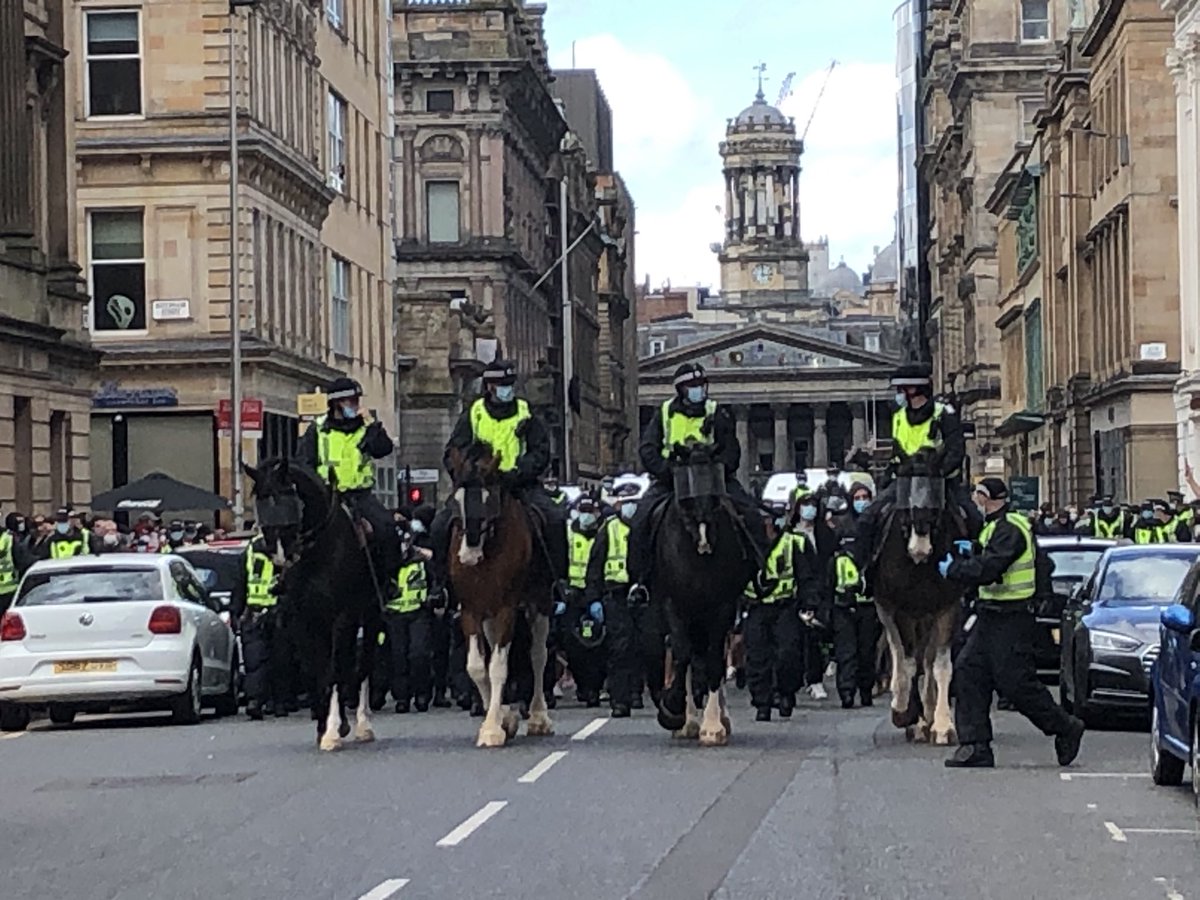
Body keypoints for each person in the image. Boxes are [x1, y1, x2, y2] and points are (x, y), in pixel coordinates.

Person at [939, 477, 1085, 768]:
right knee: (969, 671)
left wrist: (955, 568)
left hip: (1013, 617)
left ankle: (1065, 726)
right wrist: (973, 552)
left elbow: (992, 568)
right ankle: (975, 745)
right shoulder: (995, 527)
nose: (974, 502)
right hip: (991, 615)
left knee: (1016, 684)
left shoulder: (1011, 528)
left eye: (977, 496)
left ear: (985, 497)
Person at [626, 363, 765, 599]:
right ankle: (640, 582)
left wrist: (717, 466)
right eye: (693, 386)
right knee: (640, 519)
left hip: (713, 480)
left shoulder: (716, 411)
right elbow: (648, 449)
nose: (699, 390)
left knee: (751, 514)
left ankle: (759, 574)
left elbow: (732, 451)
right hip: (671, 479)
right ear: (681, 389)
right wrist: (667, 470)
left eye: (701, 385)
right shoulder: (664, 413)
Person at [434, 359, 567, 590]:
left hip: (519, 485)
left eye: (509, 384)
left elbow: (540, 451)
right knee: (440, 525)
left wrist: (517, 472)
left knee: (554, 519)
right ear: (489, 387)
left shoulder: (526, 414)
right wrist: (467, 473)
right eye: (501, 385)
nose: (507, 389)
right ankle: (439, 586)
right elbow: (454, 450)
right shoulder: (473, 414)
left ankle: (558, 581)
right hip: (478, 487)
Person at [857, 361, 978, 569]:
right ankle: (866, 570)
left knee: (973, 518)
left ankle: (973, 571)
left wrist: (939, 471)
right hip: (905, 482)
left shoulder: (943, 414)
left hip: (939, 481)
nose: (898, 394)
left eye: (901, 389)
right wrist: (891, 473)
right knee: (868, 517)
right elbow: (897, 450)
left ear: (913, 389)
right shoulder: (898, 417)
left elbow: (956, 449)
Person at [297, 376, 399, 584]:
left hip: (359, 496)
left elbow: (383, 449)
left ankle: (390, 580)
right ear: (336, 403)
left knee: (387, 527)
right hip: (327, 497)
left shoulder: (365, 428)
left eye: (356, 400)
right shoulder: (317, 429)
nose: (354, 405)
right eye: (349, 401)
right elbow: (304, 463)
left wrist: (372, 424)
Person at [742, 508, 815, 721]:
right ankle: (762, 702)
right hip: (757, 607)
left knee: (788, 653)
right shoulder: (745, 544)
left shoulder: (792, 542)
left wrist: (809, 603)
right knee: (757, 657)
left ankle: (785, 693)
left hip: (786, 606)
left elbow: (805, 575)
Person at [585, 484, 640, 717]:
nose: (629, 506)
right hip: (616, 595)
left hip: (642, 595)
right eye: (625, 501)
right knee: (620, 649)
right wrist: (593, 599)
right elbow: (595, 565)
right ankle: (621, 700)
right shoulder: (609, 529)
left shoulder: (646, 526)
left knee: (646, 646)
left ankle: (642, 693)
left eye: (633, 501)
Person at [382, 526, 435, 714]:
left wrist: (434, 596)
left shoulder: (421, 560)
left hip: (418, 612)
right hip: (394, 614)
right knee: (398, 657)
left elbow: (435, 578)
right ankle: (402, 697)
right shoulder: (386, 565)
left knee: (418, 654)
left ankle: (422, 693)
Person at [559, 495, 605, 707]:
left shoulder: (604, 533)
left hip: (597, 596)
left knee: (599, 647)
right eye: (582, 509)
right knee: (573, 646)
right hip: (572, 597)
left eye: (590, 510)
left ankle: (595, 688)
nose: (587, 514)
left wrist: (596, 598)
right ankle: (583, 687)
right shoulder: (567, 534)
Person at [828, 529, 878, 709]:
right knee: (846, 653)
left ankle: (866, 690)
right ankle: (847, 692)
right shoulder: (837, 559)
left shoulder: (871, 559)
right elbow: (829, 585)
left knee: (866, 652)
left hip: (866, 608)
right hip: (843, 610)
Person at [241, 535, 288, 719]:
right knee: (278, 659)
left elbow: (242, 579)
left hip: (258, 610)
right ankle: (277, 703)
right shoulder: (283, 545)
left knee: (257, 660)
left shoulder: (252, 548)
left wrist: (238, 609)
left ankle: (259, 701)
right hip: (273, 610)